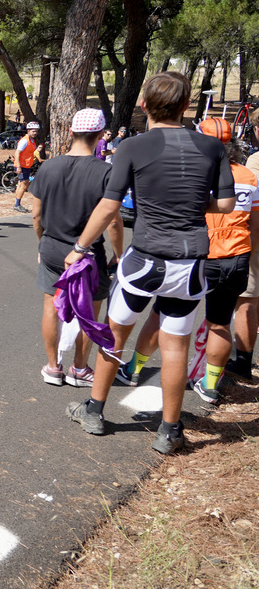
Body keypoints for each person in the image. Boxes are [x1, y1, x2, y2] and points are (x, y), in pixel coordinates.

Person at [62, 71, 235, 455]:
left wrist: (80, 246)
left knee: (114, 334)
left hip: (145, 260)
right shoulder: (212, 148)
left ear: (143, 105)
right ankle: (169, 431)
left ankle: (94, 411)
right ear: (186, 106)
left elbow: (110, 205)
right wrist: (192, 206)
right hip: (190, 263)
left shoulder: (132, 147)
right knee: (176, 346)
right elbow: (224, 205)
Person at [115, 120, 257, 405]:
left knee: (162, 314)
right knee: (220, 323)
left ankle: (133, 368)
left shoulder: (198, 170)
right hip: (236, 256)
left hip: (199, 256)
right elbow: (254, 223)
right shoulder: (249, 176)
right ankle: (210, 384)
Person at [29, 109, 123, 387]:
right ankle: (79, 369)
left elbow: (36, 214)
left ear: (70, 132)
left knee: (50, 306)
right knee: (89, 311)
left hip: (52, 247)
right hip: (88, 254)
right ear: (99, 136)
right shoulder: (106, 172)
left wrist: (41, 243)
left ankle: (52, 366)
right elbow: (114, 223)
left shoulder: (48, 167)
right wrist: (118, 256)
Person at [225, 109, 259, 383]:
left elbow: (251, 211)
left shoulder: (255, 163)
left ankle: (243, 362)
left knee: (246, 300)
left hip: (253, 241)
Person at [13, 121, 44, 213]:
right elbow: (17, 153)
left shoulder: (32, 141)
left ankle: (17, 203)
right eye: (33, 131)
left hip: (26, 165)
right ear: (28, 130)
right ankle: (17, 205)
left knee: (21, 184)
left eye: (36, 131)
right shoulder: (24, 141)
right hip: (22, 165)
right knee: (24, 184)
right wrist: (18, 166)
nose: (35, 133)